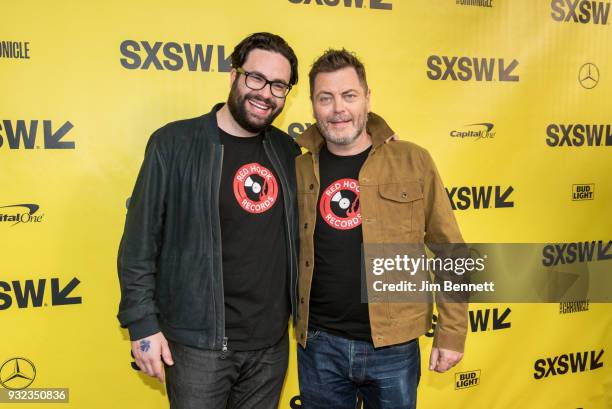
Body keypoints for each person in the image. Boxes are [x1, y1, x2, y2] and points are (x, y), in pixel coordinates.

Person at [117, 32, 301, 409]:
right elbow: (139, 243)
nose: (265, 93)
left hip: (269, 347)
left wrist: (379, 135)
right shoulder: (174, 143)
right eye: (256, 78)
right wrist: (142, 324)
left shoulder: (288, 151)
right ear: (234, 76)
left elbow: (343, 136)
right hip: (197, 346)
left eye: (278, 85)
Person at [294, 49, 467, 409]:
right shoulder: (294, 164)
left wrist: (452, 332)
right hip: (319, 344)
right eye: (325, 98)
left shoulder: (412, 159)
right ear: (312, 105)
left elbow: (450, 249)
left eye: (349, 95)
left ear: (368, 99)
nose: (338, 108)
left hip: (395, 347)